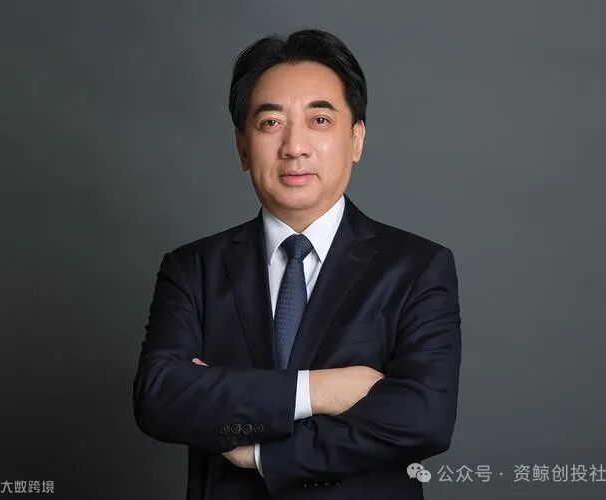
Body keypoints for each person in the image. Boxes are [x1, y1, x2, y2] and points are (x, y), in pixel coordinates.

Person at [133, 28, 462, 500]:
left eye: (320, 120)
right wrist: (319, 391)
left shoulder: (417, 267)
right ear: (242, 146)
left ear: (356, 139)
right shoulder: (192, 269)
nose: (294, 146)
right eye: (270, 123)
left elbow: (424, 418)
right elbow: (160, 399)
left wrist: (265, 455)